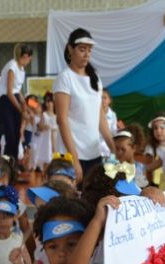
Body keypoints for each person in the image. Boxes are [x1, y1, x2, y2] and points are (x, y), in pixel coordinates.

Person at [54, 28, 115, 183]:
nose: (87, 54)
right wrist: (74, 159)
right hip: (71, 155)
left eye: (89, 50)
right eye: (82, 49)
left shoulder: (95, 78)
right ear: (70, 49)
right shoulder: (64, 78)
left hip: (94, 154)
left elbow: (100, 117)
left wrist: (114, 148)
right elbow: (62, 120)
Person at [0, 44, 32, 159]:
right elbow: (10, 92)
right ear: (25, 56)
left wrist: (25, 105)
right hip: (6, 101)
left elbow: (18, 90)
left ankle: (14, 162)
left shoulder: (21, 69)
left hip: (14, 99)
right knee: (10, 135)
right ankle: (8, 162)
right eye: (29, 58)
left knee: (17, 135)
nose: (29, 61)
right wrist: (21, 111)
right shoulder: (12, 67)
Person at [144, 114, 165, 188]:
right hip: (155, 185)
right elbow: (147, 168)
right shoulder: (150, 148)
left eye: (162, 127)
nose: (158, 131)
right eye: (155, 128)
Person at [99, 88, 119, 157]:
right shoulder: (93, 113)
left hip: (107, 147)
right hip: (94, 148)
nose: (102, 100)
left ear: (109, 100)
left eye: (105, 98)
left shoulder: (113, 114)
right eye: (100, 98)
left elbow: (114, 132)